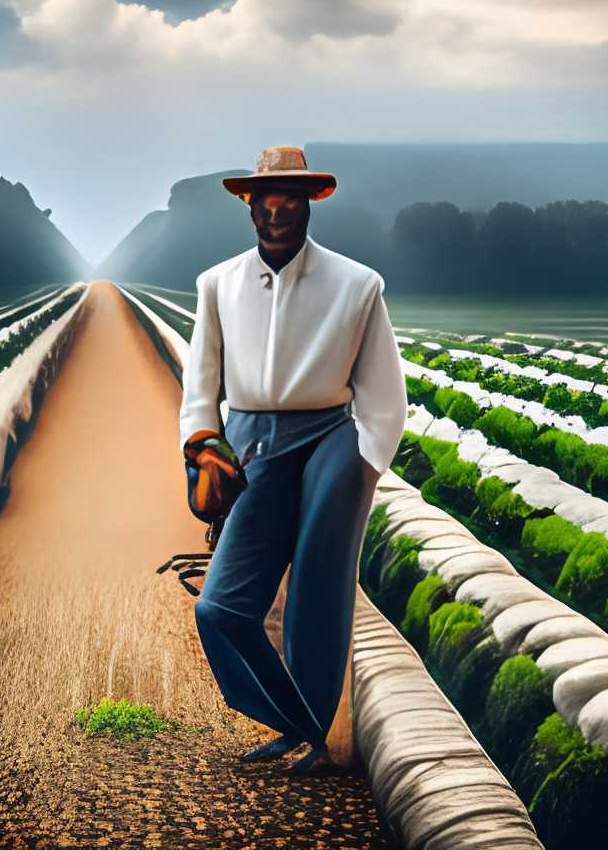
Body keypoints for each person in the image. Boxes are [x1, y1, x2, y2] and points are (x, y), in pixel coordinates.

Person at [179, 146, 408, 773]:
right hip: (250, 441)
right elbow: (201, 383)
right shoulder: (217, 283)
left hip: (330, 440)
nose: (276, 210)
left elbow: (385, 394)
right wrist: (202, 446)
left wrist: (364, 464)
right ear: (248, 206)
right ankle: (294, 721)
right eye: (265, 199)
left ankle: (311, 740)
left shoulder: (357, 285)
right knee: (221, 607)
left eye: (289, 199)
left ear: (309, 204)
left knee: (317, 589)